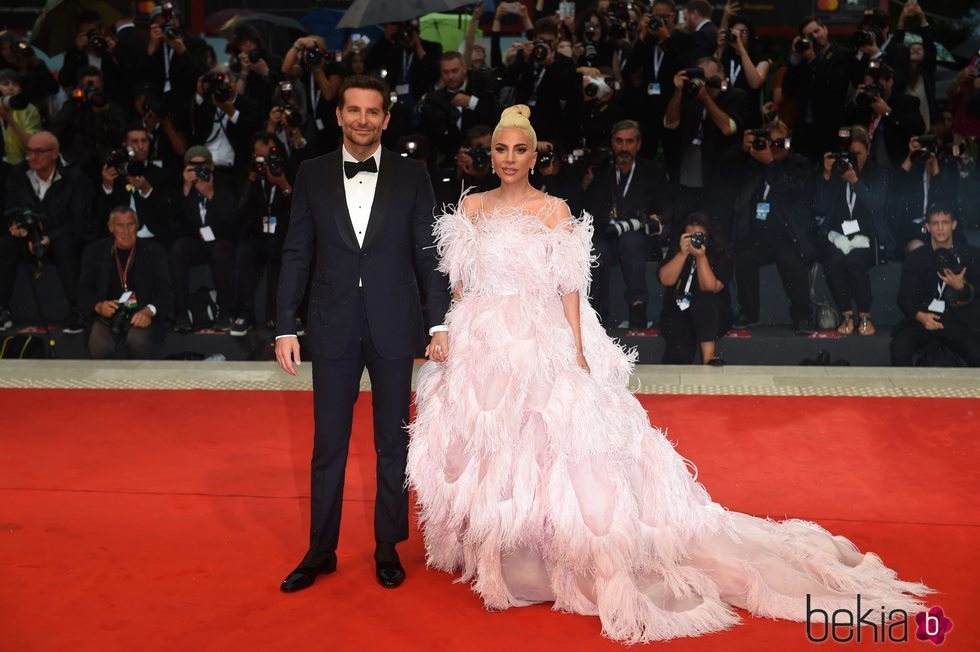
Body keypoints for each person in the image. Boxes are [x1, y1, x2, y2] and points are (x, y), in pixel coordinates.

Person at [406, 104, 929, 643]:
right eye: (501, 149)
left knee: (555, 446)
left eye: (520, 150)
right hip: (482, 338)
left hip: (540, 337)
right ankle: (500, 544)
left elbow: (569, 288)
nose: (510, 159)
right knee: (494, 444)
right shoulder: (470, 209)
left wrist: (579, 350)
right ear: (488, 154)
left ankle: (551, 552)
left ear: (536, 156)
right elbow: (459, 282)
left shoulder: (555, 211)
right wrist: (445, 328)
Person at [274, 75, 451, 593]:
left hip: (395, 324)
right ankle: (320, 550)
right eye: (353, 110)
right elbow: (296, 252)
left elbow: (428, 256)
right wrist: (286, 325)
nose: (362, 120)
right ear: (339, 115)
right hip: (329, 325)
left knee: (392, 442)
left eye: (372, 112)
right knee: (328, 444)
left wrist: (438, 322)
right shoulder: (309, 174)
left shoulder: (413, 176)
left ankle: (386, 545)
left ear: (386, 119)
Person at [0, 131, 94, 334]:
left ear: (55, 153)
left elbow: (79, 222)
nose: (32, 157)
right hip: (27, 236)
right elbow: (9, 207)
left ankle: (75, 308)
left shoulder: (74, 179)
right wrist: (16, 225)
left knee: (66, 245)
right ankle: (2, 308)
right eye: (30, 152)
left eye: (39, 152)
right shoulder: (18, 174)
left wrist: (49, 237)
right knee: (4, 246)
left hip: (58, 238)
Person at [731, 121, 818, 333]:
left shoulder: (798, 163)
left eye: (781, 142)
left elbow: (790, 189)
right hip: (758, 235)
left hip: (788, 234)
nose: (776, 147)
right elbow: (728, 175)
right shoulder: (754, 163)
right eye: (772, 142)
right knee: (744, 254)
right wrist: (744, 151)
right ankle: (749, 312)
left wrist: (770, 163)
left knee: (790, 259)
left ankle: (802, 315)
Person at [585, 120, 670, 328]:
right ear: (612, 143)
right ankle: (597, 316)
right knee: (596, 249)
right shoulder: (603, 172)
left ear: (638, 144)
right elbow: (591, 210)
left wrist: (657, 219)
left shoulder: (653, 170)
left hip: (640, 238)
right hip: (609, 236)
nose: (624, 147)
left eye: (629, 142)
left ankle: (637, 306)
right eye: (619, 141)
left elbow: (667, 207)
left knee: (631, 241)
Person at [815, 126, 886, 336]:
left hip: (866, 238)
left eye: (858, 154)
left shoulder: (878, 173)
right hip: (838, 238)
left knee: (854, 262)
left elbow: (876, 204)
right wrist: (827, 175)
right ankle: (846, 314)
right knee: (833, 261)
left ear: (868, 151)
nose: (853, 160)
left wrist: (855, 181)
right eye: (849, 155)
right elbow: (819, 206)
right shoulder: (836, 172)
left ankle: (865, 315)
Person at [890, 204, 980, 367]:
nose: (940, 228)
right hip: (924, 318)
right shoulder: (916, 258)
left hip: (956, 320)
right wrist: (920, 316)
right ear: (927, 227)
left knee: (976, 351)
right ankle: (907, 392)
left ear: (953, 225)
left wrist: (962, 289)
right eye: (935, 223)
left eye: (945, 222)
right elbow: (904, 298)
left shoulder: (970, 255)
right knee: (899, 347)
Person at [78, 207, 172, 359]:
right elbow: (83, 289)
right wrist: (98, 306)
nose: (126, 231)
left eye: (131, 225)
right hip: (107, 315)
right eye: (120, 226)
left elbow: (166, 291)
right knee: (98, 343)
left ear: (138, 226)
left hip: (141, 313)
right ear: (110, 228)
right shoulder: (94, 251)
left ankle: (138, 382)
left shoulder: (154, 251)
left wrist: (149, 311)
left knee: (137, 341)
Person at [658, 212, 733, 364]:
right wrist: (682, 254)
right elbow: (666, 280)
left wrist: (700, 257)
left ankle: (709, 357)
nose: (694, 240)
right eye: (689, 236)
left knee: (705, 297)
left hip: (713, 315)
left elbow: (710, 287)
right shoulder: (678, 249)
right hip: (680, 312)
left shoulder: (721, 253)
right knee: (678, 356)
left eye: (698, 236)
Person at [781, 16, 853, 163]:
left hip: (830, 130)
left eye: (817, 30)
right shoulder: (802, 60)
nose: (815, 36)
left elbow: (837, 85)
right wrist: (794, 58)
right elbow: (787, 90)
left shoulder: (843, 54)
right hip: (804, 132)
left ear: (825, 29)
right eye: (809, 35)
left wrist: (813, 59)